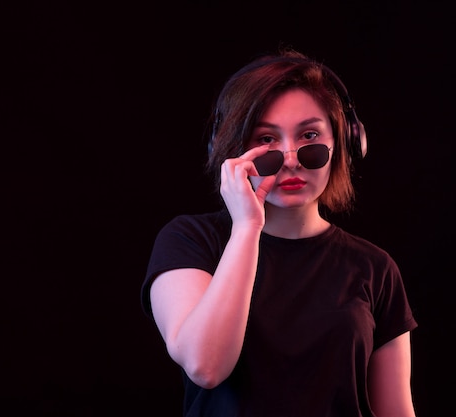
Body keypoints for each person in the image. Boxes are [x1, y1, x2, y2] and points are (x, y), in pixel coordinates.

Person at [140, 47, 418, 417]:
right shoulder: (191, 241)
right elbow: (205, 366)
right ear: (233, 149)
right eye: (266, 139)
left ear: (345, 143)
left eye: (308, 134)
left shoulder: (375, 268)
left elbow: (395, 411)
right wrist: (247, 227)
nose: (290, 158)